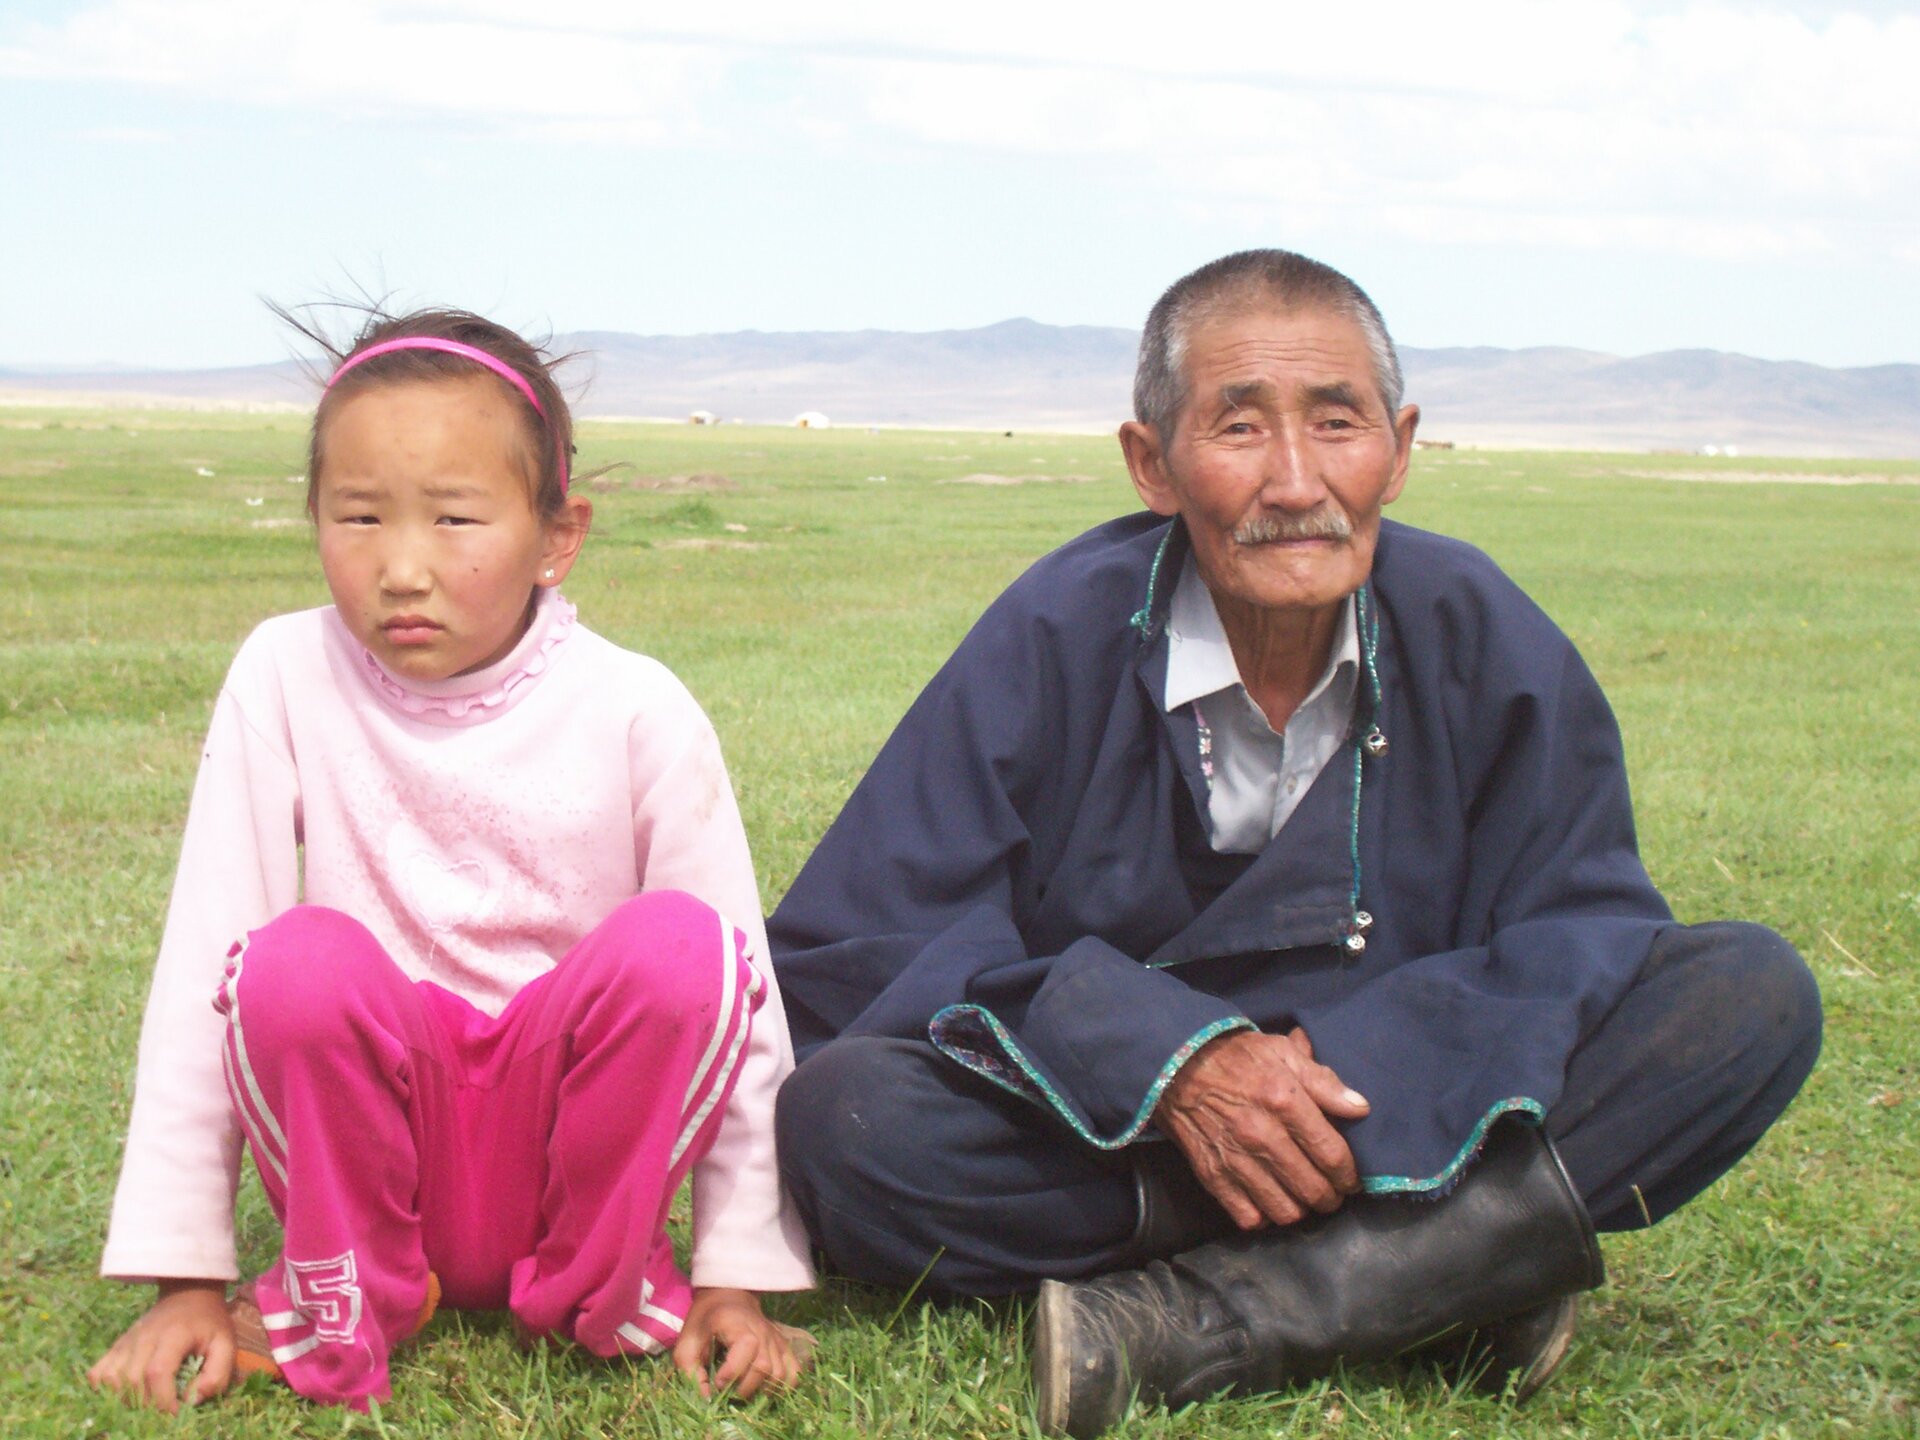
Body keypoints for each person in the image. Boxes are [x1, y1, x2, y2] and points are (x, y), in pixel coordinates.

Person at [769, 250, 1822, 1436]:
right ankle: (1447, 1269)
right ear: (1151, 463)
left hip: (1402, 1106)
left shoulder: (1479, 631)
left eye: (1337, 423)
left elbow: (1591, 925)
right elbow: (860, 943)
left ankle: (1200, 1320)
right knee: (848, 1120)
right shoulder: (1057, 633)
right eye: (1237, 428)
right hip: (1128, 1129)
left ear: (1401, 446)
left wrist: (1339, 1062)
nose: (1294, 481)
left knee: (1748, 996)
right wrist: (1173, 1064)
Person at [87, 309, 814, 1414]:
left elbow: (736, 1006)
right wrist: (185, 1279)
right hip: (377, 1134)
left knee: (686, 948)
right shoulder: (283, 671)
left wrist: (739, 1275)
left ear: (557, 535)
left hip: (562, 1137)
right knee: (295, 963)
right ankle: (359, 1293)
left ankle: (604, 1286)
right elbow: (207, 967)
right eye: (360, 516)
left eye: (457, 517)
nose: (402, 568)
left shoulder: (635, 706)